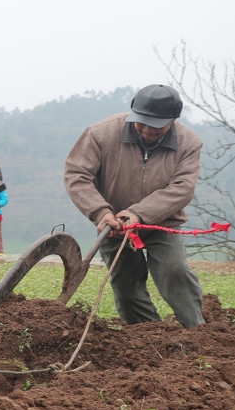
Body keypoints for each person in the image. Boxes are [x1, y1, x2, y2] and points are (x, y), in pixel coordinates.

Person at [64, 84, 204, 328]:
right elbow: (77, 175)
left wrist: (139, 213)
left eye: (157, 125)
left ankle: (196, 333)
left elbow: (182, 187)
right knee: (126, 288)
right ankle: (149, 336)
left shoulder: (188, 142)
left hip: (162, 223)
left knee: (176, 272)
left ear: (173, 120)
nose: (148, 130)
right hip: (114, 225)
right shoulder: (100, 134)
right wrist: (101, 212)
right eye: (142, 122)